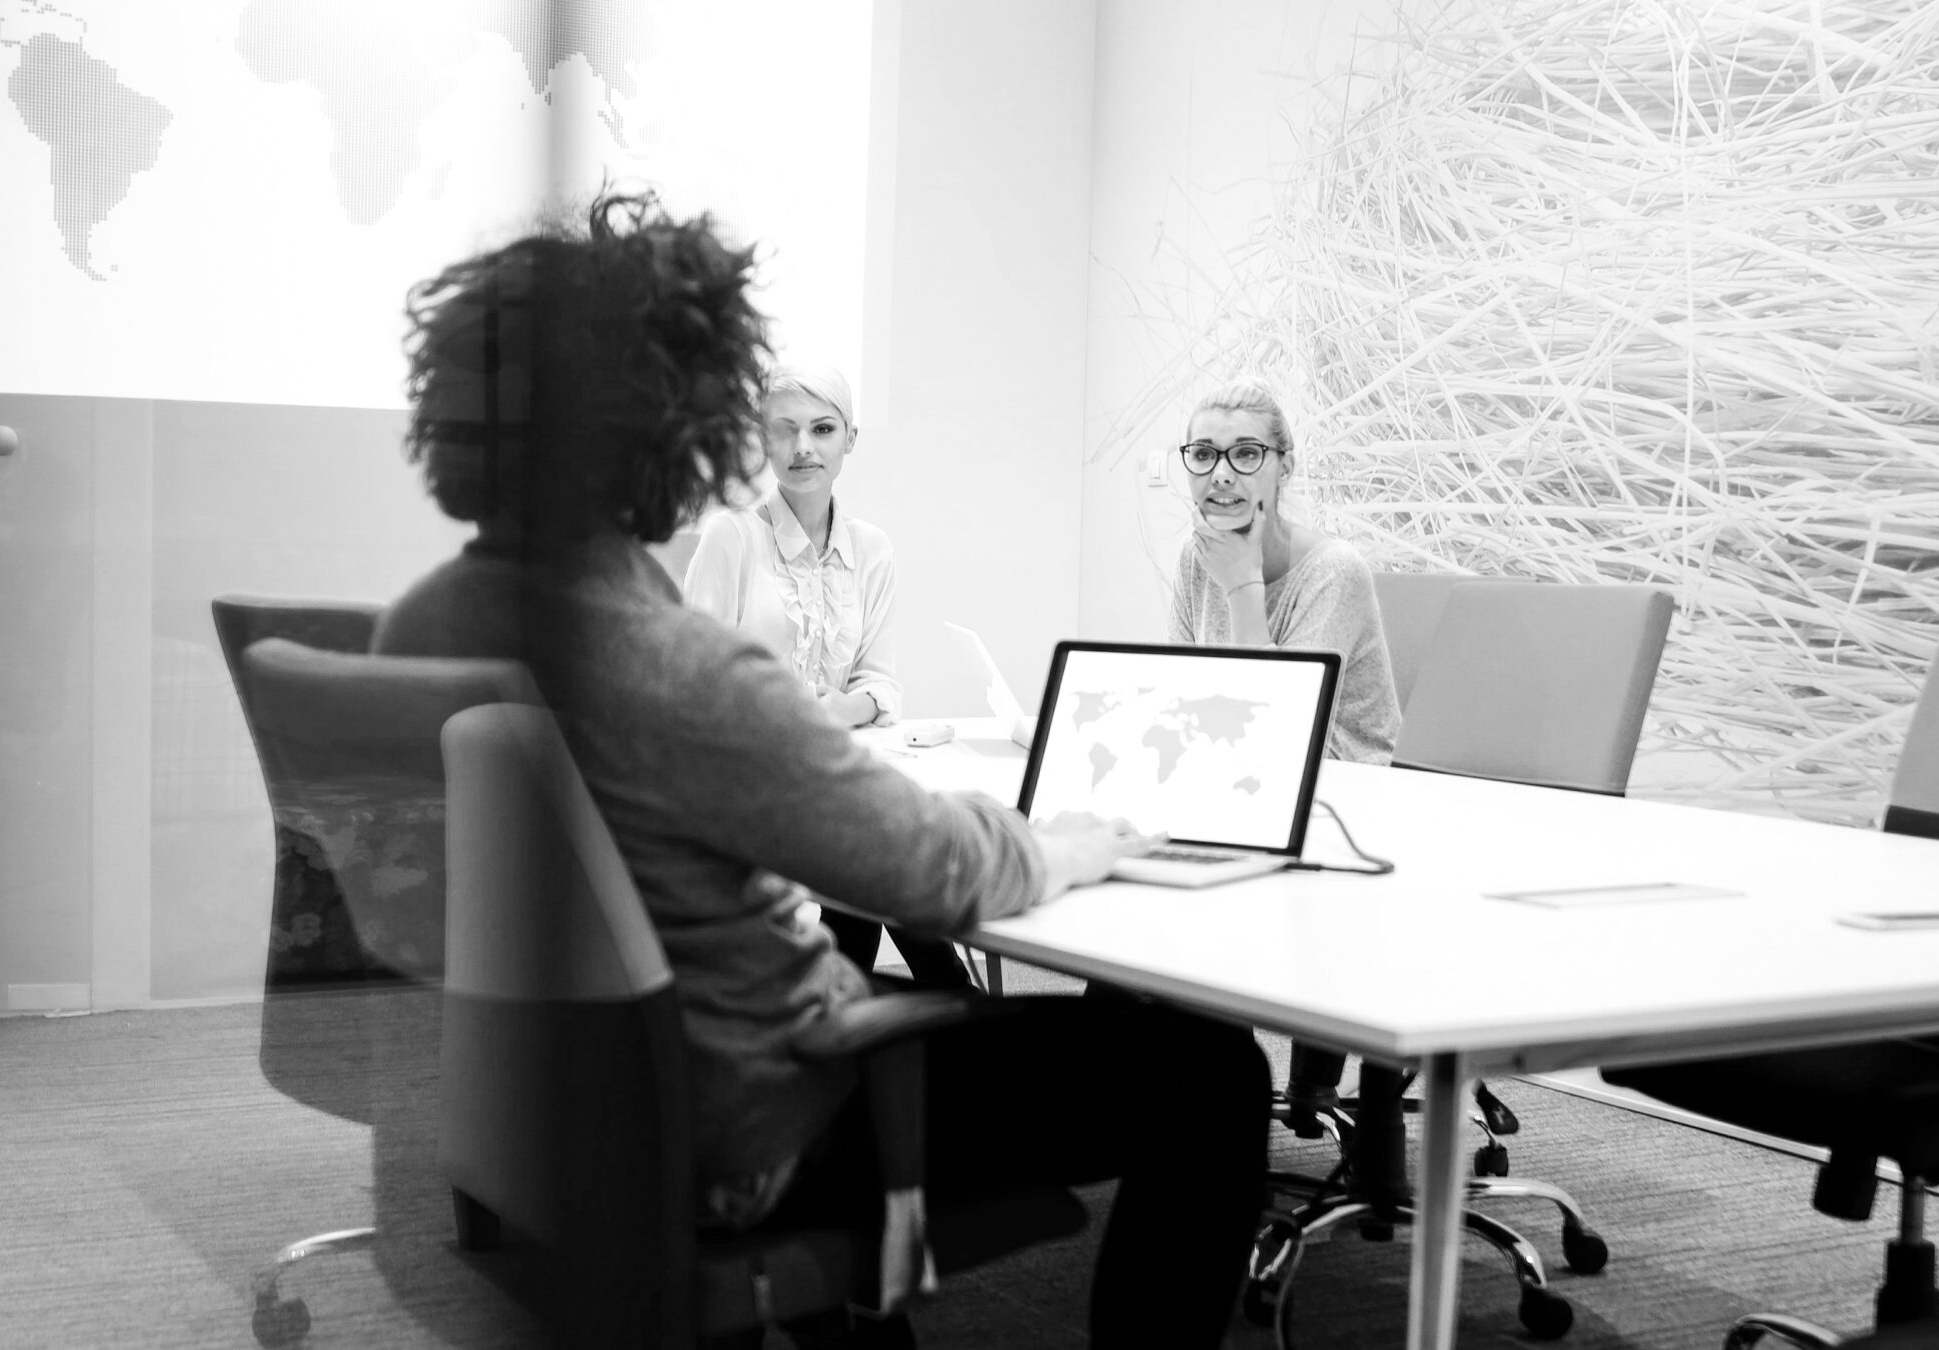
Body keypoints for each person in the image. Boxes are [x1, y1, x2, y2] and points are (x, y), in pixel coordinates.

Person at [373, 190, 1268, 1347]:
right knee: (1210, 1072)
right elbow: (934, 871)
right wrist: (1064, 841)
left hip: (568, 1106)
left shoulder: (425, 622)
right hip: (761, 1110)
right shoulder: (672, 668)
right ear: (680, 431)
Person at [682, 364, 979, 991]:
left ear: (850, 439)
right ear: (762, 438)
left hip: (834, 778)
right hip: (748, 780)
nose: (802, 448)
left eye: (821, 429)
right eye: (783, 430)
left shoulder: (872, 549)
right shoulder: (730, 538)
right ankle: (951, 1007)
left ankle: (870, 1009)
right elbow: (692, 689)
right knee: (884, 861)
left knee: (881, 862)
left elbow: (882, 686)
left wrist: (837, 712)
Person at [1172, 379, 1400, 1127]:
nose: (1222, 474)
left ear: (1283, 465)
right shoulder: (1191, 557)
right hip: (1238, 788)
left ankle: (1210, 1104)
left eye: (1245, 453)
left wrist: (1241, 585)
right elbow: (1184, 690)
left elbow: (1278, 728)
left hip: (1336, 801)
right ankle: (1144, 1092)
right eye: (1203, 454)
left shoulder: (1333, 570)